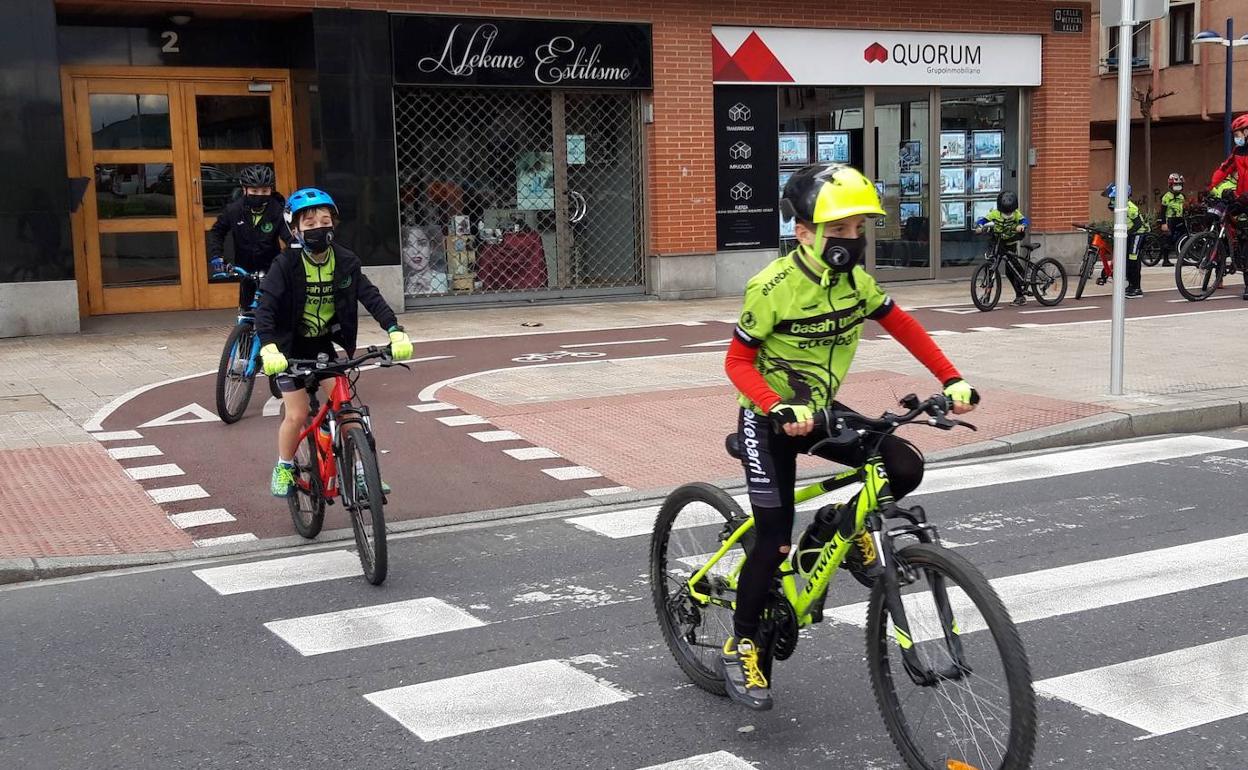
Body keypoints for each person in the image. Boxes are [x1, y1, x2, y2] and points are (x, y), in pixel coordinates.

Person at [720, 162, 979, 711]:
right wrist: (774, 406)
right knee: (773, 540)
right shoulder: (772, 288)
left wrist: (951, 378)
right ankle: (740, 645)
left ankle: (836, 527)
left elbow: (902, 324)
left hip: (820, 412)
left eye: (859, 229)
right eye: (838, 230)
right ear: (803, 232)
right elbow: (737, 362)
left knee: (902, 464)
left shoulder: (856, 284)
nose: (851, 239)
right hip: (768, 419)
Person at [255, 187, 413, 497]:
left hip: (322, 347)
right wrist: (268, 346)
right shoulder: (285, 265)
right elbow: (266, 309)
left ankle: (363, 473)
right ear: (295, 230)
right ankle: (284, 466)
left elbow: (370, 296)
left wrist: (394, 330)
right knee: (297, 413)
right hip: (288, 351)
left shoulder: (345, 260)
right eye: (310, 224)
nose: (319, 228)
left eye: (325, 222)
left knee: (347, 410)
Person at [207, 164, 291, 309]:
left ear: (271, 190)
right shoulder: (234, 210)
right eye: (254, 191)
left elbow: (289, 237)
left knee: (274, 310)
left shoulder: (277, 210)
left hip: (271, 268)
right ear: (244, 189)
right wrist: (217, 256)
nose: (259, 194)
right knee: (246, 310)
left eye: (264, 191)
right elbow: (217, 231)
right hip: (245, 269)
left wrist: (290, 258)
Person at [973, 190, 1030, 306]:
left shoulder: (1016, 214)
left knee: (1011, 270)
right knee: (991, 267)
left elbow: (1025, 220)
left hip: (1010, 243)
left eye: (1010, 213)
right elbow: (982, 220)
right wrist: (979, 227)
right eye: (1005, 213)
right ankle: (987, 295)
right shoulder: (994, 214)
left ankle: (1020, 295)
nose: (1008, 215)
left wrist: (1022, 226)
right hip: (997, 242)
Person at [1098, 183, 1148, 298]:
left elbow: (1138, 224)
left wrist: (1126, 233)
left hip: (1137, 234)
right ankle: (1130, 285)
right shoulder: (1120, 207)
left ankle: (1136, 288)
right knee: (1126, 260)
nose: (1111, 202)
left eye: (1113, 199)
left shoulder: (1130, 207)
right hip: (1128, 234)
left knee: (1133, 260)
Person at [1159, 173, 1185, 268]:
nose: (1178, 187)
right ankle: (1165, 260)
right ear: (1170, 185)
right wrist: (1163, 223)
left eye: (1179, 185)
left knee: (1183, 238)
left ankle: (1183, 259)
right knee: (1168, 240)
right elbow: (1162, 211)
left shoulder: (1181, 197)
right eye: (1175, 185)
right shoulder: (1166, 197)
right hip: (1169, 220)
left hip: (1179, 219)